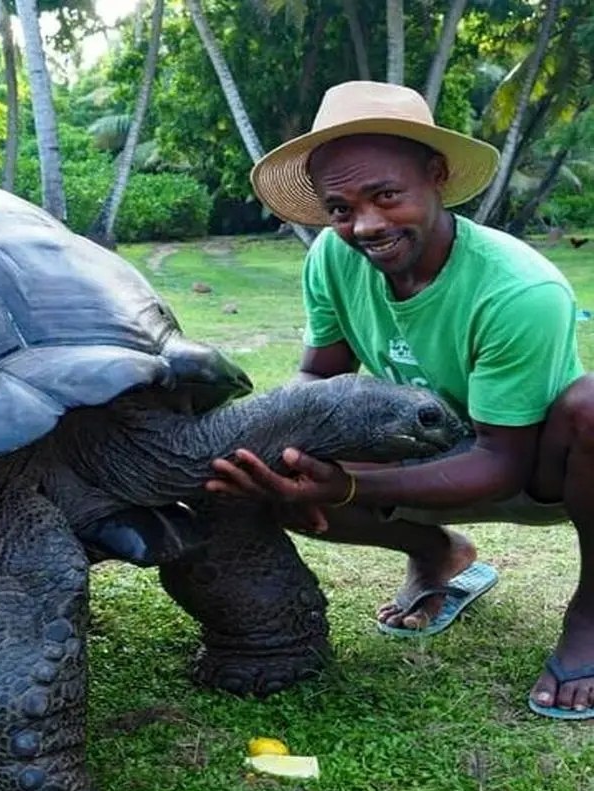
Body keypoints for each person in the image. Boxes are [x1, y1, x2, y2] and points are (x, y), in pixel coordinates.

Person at [206, 80, 594, 720]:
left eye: (386, 195)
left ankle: (592, 611)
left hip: (537, 469)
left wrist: (347, 484)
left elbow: (501, 463)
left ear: (436, 176)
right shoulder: (333, 258)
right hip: (418, 453)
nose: (364, 225)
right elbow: (319, 380)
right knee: (263, 473)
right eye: (339, 207)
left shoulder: (519, 289)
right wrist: (280, 453)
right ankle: (437, 554)